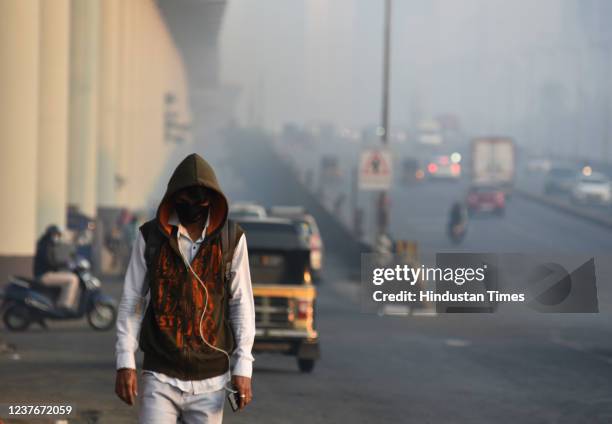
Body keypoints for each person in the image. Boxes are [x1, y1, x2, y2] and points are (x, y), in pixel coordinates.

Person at [115, 153, 255, 424]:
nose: (194, 205)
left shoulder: (231, 239)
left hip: (212, 380)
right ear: (174, 197)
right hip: (160, 375)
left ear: (212, 200)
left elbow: (241, 305)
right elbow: (133, 300)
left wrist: (243, 367)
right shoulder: (150, 237)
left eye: (201, 198)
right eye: (186, 198)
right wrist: (125, 361)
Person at [33, 225, 79, 313]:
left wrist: (63, 264)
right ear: (50, 235)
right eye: (55, 235)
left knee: (67, 277)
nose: (57, 237)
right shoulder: (45, 246)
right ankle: (64, 306)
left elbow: (52, 261)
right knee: (73, 279)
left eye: (58, 235)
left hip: (45, 273)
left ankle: (58, 303)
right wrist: (65, 264)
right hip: (44, 275)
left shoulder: (46, 244)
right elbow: (49, 262)